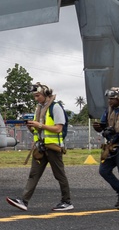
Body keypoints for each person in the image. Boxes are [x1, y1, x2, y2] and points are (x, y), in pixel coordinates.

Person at [6, 82, 73, 212]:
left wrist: (39, 126)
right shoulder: (40, 108)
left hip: (53, 148)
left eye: (38, 96)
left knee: (59, 175)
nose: (36, 98)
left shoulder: (55, 107)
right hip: (41, 147)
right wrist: (31, 127)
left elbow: (59, 128)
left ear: (45, 94)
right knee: (33, 174)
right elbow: (39, 130)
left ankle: (67, 201)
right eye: (35, 96)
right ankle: (24, 201)